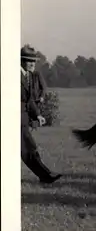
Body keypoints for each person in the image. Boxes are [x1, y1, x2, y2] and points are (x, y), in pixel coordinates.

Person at [21, 46, 62, 183]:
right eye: (28, 61)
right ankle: (45, 176)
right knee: (28, 149)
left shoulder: (28, 76)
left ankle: (45, 176)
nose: (32, 64)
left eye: (34, 61)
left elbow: (28, 99)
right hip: (14, 119)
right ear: (21, 61)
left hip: (23, 119)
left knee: (28, 148)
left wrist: (37, 115)